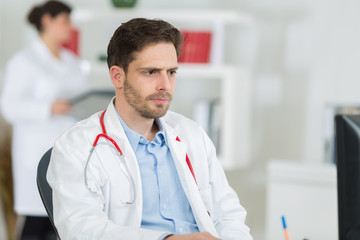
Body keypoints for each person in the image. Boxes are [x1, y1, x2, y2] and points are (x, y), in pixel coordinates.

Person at [47, 18, 253, 240]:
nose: (165, 85)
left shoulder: (192, 134)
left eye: (171, 72)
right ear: (118, 76)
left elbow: (228, 215)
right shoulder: (76, 147)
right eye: (151, 72)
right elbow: (82, 230)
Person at [0, 1, 87, 239]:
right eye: (65, 21)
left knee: (63, 217)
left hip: (69, 148)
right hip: (36, 150)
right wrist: (48, 108)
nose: (70, 27)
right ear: (47, 21)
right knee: (38, 217)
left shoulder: (71, 60)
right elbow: (9, 106)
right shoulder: (24, 61)